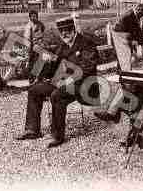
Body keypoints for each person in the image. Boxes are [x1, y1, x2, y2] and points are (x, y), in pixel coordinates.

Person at [15, 17, 101, 148]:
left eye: (67, 31)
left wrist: (67, 80)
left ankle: (57, 136)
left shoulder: (86, 44)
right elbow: (53, 71)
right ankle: (32, 129)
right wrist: (47, 62)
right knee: (34, 90)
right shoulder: (63, 46)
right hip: (65, 83)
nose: (64, 34)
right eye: (61, 32)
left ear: (73, 30)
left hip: (85, 86)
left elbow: (87, 69)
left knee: (57, 95)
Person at [111, 3, 143, 71]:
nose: (142, 16)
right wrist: (141, 42)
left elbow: (138, 30)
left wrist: (142, 40)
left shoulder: (135, 15)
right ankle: (125, 72)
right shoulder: (129, 16)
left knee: (125, 54)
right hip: (120, 35)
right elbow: (134, 30)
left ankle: (121, 70)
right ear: (138, 10)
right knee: (125, 53)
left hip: (125, 34)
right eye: (142, 14)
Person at [23, 10, 46, 84]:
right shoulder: (28, 26)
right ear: (29, 17)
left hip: (40, 46)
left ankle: (39, 78)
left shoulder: (40, 24)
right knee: (32, 63)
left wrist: (41, 42)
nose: (34, 18)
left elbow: (42, 31)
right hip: (32, 47)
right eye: (32, 16)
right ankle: (31, 79)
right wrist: (29, 48)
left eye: (35, 16)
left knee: (41, 62)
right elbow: (27, 39)